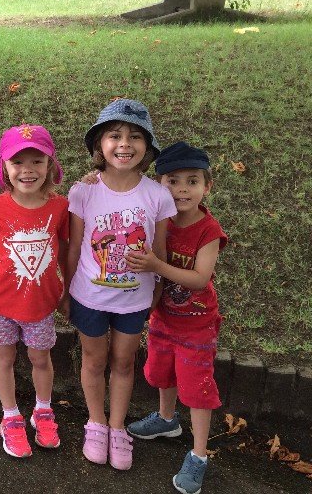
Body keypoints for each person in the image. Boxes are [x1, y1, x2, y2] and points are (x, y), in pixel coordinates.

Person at [62, 98, 176, 470]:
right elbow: (75, 246)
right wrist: (65, 291)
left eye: (134, 136)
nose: (124, 144)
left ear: (147, 146)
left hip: (134, 300)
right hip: (89, 296)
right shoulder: (83, 191)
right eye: (115, 135)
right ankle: (96, 423)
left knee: (124, 362)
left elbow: (160, 249)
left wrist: (157, 288)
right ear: (100, 144)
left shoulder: (158, 195)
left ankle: (117, 426)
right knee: (94, 360)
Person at [124, 142, 227, 494]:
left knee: (197, 390)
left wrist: (156, 264)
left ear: (207, 186)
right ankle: (167, 420)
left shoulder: (208, 230)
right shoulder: (159, 222)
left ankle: (199, 455)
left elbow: (199, 279)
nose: (182, 189)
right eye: (172, 181)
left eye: (192, 181)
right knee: (162, 373)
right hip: (163, 319)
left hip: (197, 326)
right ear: (159, 185)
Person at [0, 124, 69, 458]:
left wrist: (68, 290)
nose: (27, 170)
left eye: (37, 161)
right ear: (4, 167)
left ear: (50, 165)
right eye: (18, 162)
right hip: (2, 303)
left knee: (40, 359)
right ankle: (11, 416)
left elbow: (66, 249)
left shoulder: (61, 208)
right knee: (4, 358)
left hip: (42, 305)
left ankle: (43, 410)